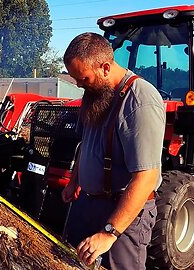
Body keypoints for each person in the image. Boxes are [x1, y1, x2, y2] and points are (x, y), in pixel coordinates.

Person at [61, 32, 165, 269]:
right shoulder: (96, 94)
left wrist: (109, 233)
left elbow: (146, 177)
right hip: (88, 204)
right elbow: (87, 143)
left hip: (122, 214)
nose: (79, 85)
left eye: (84, 79)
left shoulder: (140, 100)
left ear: (105, 68)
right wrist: (74, 181)